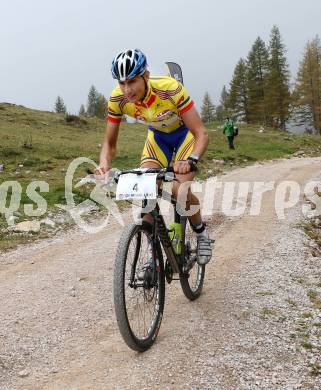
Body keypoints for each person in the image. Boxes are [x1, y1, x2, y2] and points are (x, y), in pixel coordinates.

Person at [95, 49, 213, 264]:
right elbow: (109, 144)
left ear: (145, 76)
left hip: (185, 134)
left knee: (179, 190)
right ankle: (153, 252)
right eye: (122, 83)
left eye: (132, 81)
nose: (127, 89)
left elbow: (201, 134)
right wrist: (104, 163)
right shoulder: (118, 99)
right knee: (147, 188)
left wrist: (191, 160)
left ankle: (201, 233)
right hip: (158, 138)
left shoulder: (170, 89)